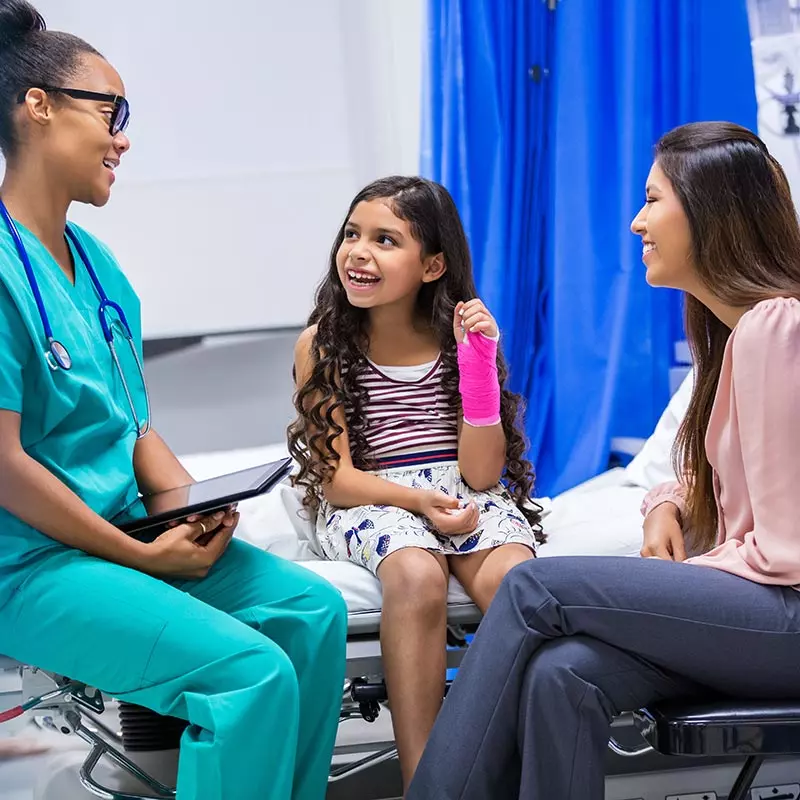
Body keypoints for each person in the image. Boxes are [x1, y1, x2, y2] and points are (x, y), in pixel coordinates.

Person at [0, 3, 346, 798]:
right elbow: (6, 465)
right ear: (39, 104)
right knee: (248, 676)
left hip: (125, 535)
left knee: (311, 615)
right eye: (110, 111)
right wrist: (140, 555)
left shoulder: (99, 267)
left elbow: (133, 424)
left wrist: (191, 506)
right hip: (33, 565)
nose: (123, 136)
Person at [406, 120, 800, 800]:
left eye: (653, 200)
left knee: (535, 588)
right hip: (769, 613)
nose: (635, 223)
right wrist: (666, 502)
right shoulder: (734, 342)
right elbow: (738, 472)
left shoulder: (775, 329)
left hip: (787, 613)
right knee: (565, 672)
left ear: (709, 210)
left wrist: (692, 577)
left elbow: (787, 549)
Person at [287, 175, 544, 788]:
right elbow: (339, 481)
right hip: (374, 496)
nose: (358, 251)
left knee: (519, 582)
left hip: (461, 488)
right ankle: (424, 779)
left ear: (432, 265)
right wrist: (418, 502)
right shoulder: (320, 345)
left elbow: (482, 474)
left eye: (385, 239)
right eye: (352, 234)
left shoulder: (458, 345)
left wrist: (478, 359)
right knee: (415, 571)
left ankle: (519, 765)